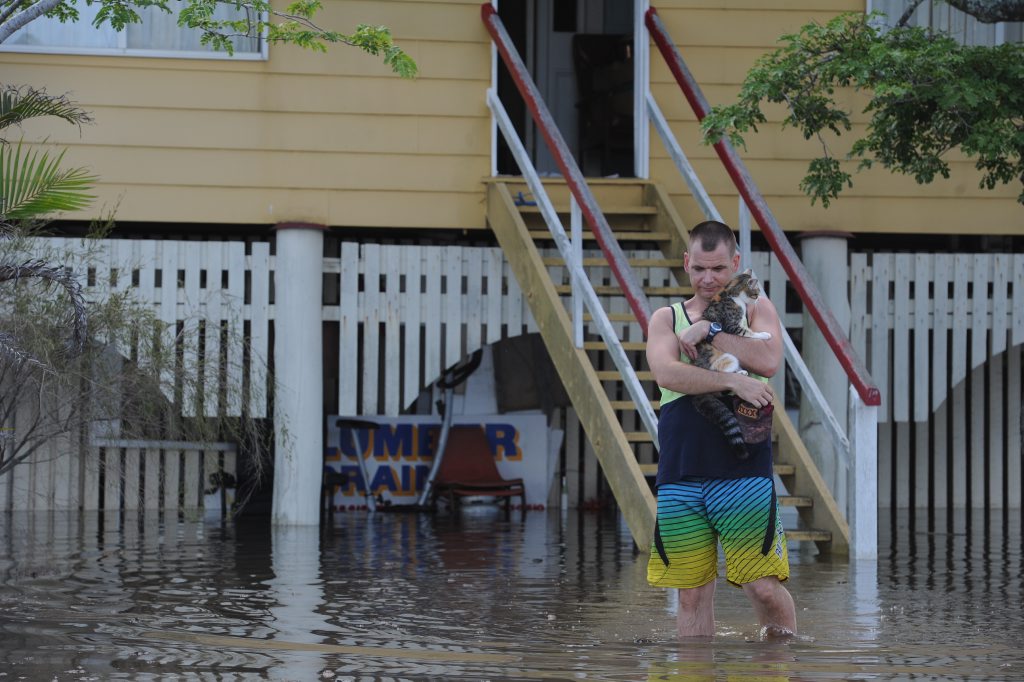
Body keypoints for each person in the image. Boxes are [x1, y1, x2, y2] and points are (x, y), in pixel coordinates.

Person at [645, 220, 796, 638]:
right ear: (686, 263)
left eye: (718, 269)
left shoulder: (756, 309)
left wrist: (712, 331)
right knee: (690, 596)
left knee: (762, 587)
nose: (708, 280)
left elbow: (767, 362)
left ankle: (780, 666)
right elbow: (667, 373)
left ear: (735, 263)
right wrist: (732, 380)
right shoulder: (666, 318)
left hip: (743, 470)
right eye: (699, 270)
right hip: (681, 472)